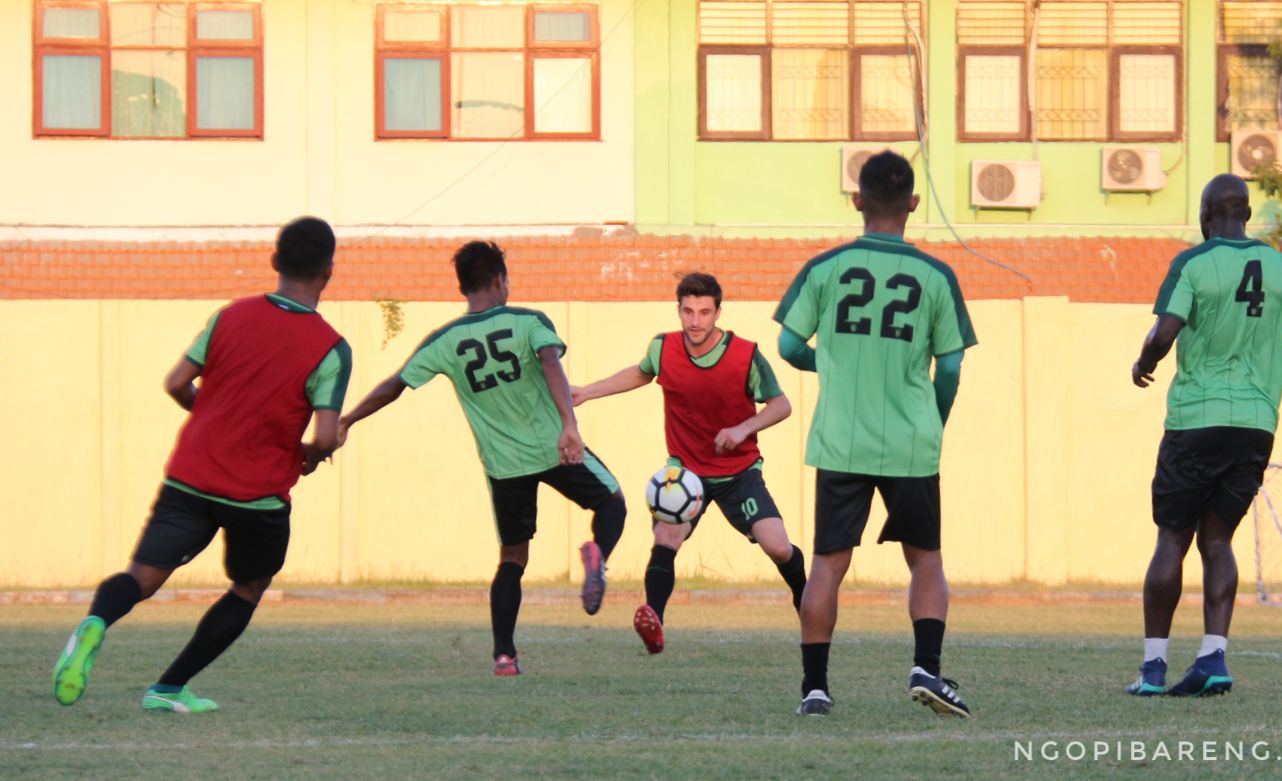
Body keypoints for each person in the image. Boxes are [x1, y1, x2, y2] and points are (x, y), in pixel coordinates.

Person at [52, 217, 351, 713]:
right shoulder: (331, 348)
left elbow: (175, 383)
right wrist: (317, 453)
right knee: (249, 586)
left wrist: (213, 415)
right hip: (258, 496)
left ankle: (98, 622)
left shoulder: (230, 316)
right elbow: (322, 434)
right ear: (329, 271)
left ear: (275, 262)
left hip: (191, 477)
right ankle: (168, 688)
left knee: (142, 577)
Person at [339, 240, 626, 676]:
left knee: (512, 559)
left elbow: (394, 385)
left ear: (463, 287)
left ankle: (504, 656)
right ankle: (597, 556)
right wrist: (570, 424)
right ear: (499, 280)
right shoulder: (529, 321)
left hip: (504, 466)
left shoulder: (445, 340)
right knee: (611, 502)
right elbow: (551, 362)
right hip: (555, 446)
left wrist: (348, 420)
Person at [773, 150, 976, 718]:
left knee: (827, 565)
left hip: (842, 439)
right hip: (911, 439)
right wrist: (934, 419)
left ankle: (815, 688)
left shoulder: (825, 268)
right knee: (926, 561)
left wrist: (831, 364)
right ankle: (926, 669)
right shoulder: (937, 275)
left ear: (857, 200)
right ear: (913, 204)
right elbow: (953, 368)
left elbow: (789, 347)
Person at [1126, 174, 1282, 697]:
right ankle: (1214, 658)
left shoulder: (1192, 264)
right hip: (1255, 425)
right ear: (1249, 214)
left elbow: (1165, 332)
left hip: (1196, 419)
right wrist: (1268, 382)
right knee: (1218, 540)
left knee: (1173, 536)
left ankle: (1153, 668)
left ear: (1206, 212)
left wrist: (1144, 362)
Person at [573, 272, 806, 654]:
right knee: (666, 537)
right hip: (685, 474)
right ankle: (655, 623)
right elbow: (640, 373)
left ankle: (804, 596)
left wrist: (743, 427)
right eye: (688, 311)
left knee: (778, 547)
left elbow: (781, 404)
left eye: (704, 312)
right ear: (678, 310)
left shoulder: (745, 354)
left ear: (718, 313)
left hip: (740, 473)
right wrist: (587, 391)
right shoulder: (664, 349)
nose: (695, 321)